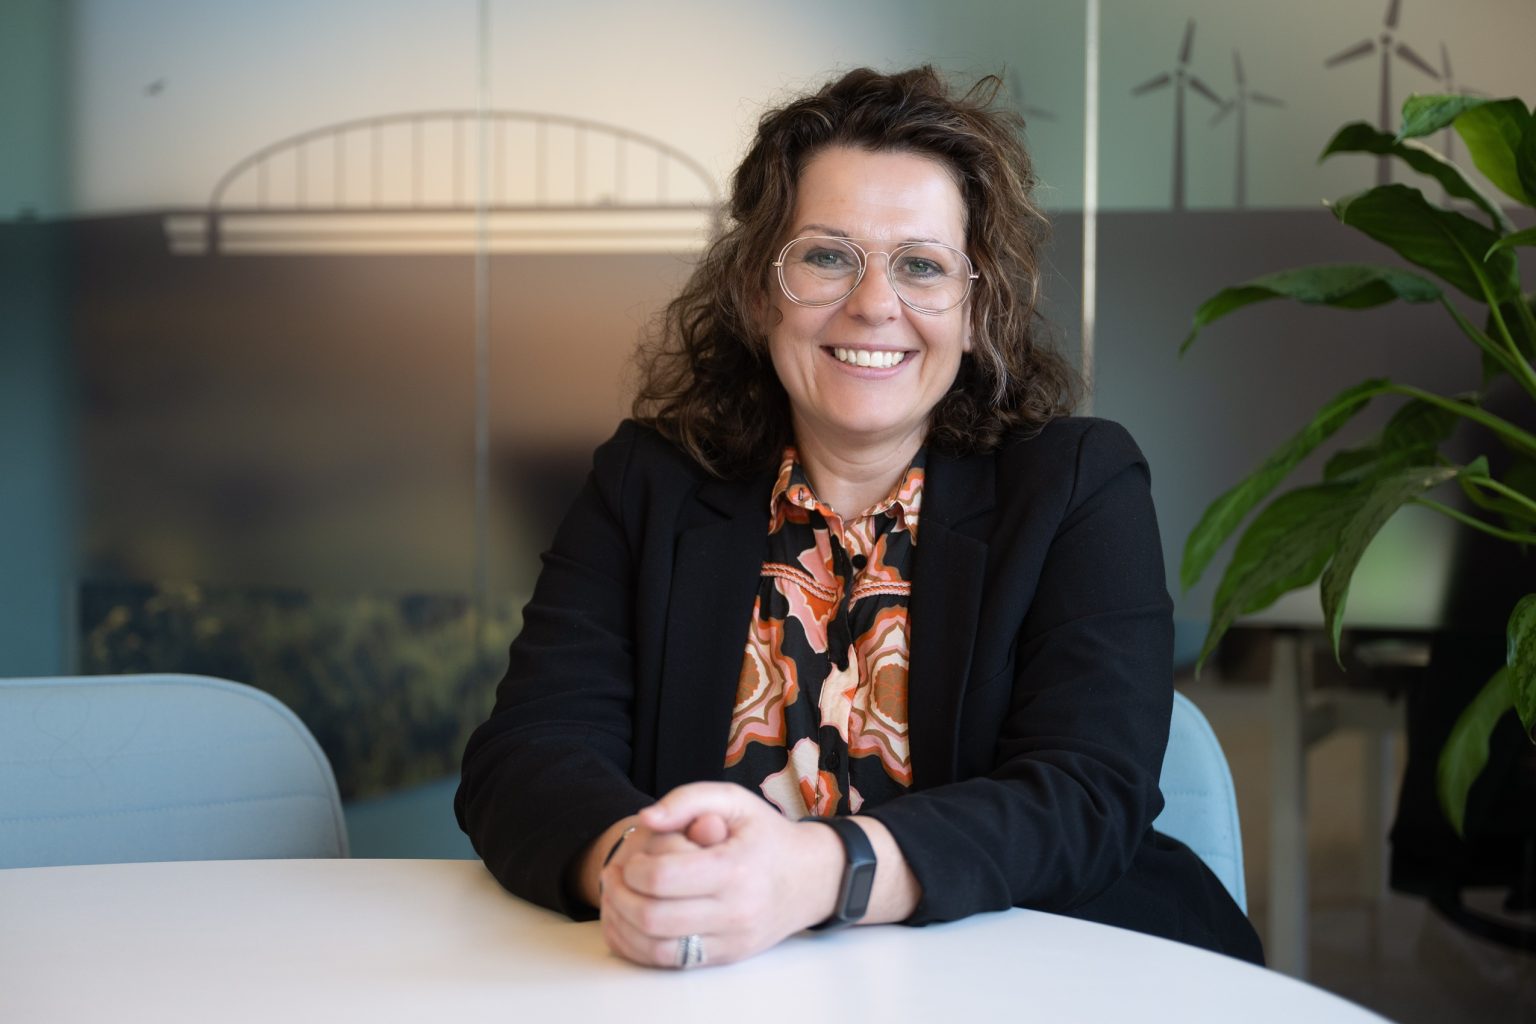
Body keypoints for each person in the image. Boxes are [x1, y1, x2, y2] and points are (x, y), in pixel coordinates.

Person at [456, 65, 1263, 969]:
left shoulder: (1077, 484)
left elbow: (1085, 795)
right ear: (759, 293)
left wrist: (820, 874)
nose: (875, 304)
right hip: (718, 987)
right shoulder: (648, 483)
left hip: (1035, 977)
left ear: (976, 309)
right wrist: (632, 866)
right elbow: (526, 754)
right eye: (827, 257)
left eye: (922, 266)